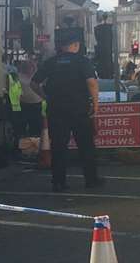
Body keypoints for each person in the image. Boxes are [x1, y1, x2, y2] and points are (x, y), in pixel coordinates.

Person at [34, 28, 102, 192]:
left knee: (58, 147)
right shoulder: (82, 61)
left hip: (56, 109)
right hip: (79, 109)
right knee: (86, 146)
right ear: (76, 45)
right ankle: (91, 180)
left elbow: (34, 83)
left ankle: (58, 181)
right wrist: (96, 104)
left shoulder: (50, 62)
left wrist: (46, 97)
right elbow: (91, 83)